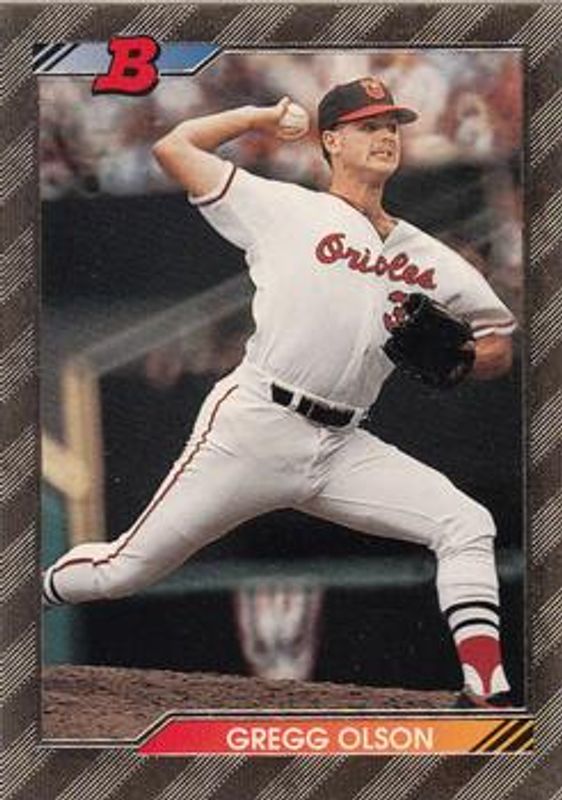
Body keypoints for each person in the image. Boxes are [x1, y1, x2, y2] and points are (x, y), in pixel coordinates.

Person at [43, 77, 517, 709]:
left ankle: (485, 689)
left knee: (466, 523)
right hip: (255, 427)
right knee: (122, 571)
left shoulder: (432, 258)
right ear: (331, 141)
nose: (385, 136)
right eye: (368, 126)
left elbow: (499, 342)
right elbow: (174, 148)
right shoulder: (280, 206)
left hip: (342, 446)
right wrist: (257, 115)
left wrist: (465, 356)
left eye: (391, 126)